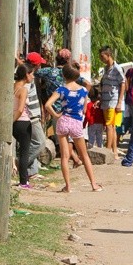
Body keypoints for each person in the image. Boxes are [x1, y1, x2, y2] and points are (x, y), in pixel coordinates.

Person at [44, 63, 103, 193]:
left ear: (63, 75)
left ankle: (68, 186)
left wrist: (56, 115)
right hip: (76, 123)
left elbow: (48, 104)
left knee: (65, 156)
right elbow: (84, 108)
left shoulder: (61, 89)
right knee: (84, 155)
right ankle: (93, 184)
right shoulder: (83, 91)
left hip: (63, 121)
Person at [18, 51, 49, 179]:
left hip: (34, 114)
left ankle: (32, 171)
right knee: (40, 143)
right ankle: (21, 163)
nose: (39, 67)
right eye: (39, 64)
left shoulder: (29, 76)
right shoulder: (27, 78)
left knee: (31, 143)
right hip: (30, 116)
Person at [98, 46, 126, 157]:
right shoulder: (106, 69)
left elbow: (123, 83)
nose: (101, 58)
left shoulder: (117, 68)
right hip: (105, 100)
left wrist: (119, 102)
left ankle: (108, 150)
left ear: (108, 55)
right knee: (112, 127)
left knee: (110, 126)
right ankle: (114, 152)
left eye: (102, 56)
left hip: (113, 101)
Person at [13, 63, 36, 189]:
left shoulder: (13, 87)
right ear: (26, 75)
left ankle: (23, 180)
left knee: (21, 151)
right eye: (31, 74)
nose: (33, 77)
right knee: (24, 152)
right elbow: (21, 109)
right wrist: (13, 120)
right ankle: (23, 181)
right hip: (23, 122)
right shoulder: (23, 90)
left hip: (16, 122)